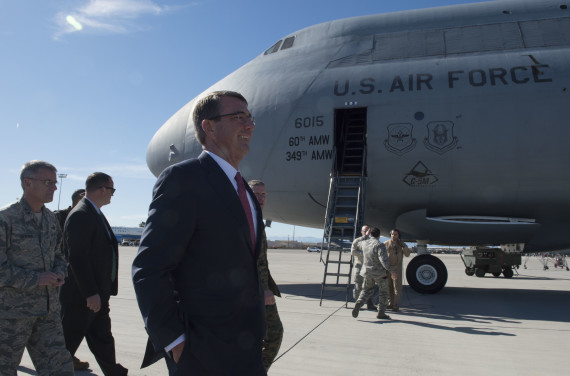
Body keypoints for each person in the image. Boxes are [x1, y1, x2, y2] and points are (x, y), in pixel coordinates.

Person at [132, 90, 266, 375]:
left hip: (247, 347)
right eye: (238, 117)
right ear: (209, 127)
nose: (249, 125)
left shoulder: (245, 191)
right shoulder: (184, 178)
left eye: (250, 118)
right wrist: (175, 342)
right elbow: (149, 268)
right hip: (200, 352)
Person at [0, 160, 74, 375]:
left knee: (60, 369)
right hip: (11, 315)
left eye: (54, 182)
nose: (54, 187)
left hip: (47, 313)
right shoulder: (6, 219)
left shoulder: (51, 219)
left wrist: (60, 272)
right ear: (27, 183)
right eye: (48, 182)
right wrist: (37, 278)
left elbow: (60, 255)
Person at [60, 172, 127, 376]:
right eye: (112, 190)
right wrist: (90, 293)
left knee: (102, 338)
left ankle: (115, 373)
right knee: (66, 344)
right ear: (101, 189)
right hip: (83, 298)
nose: (112, 195)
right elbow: (77, 257)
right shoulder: (82, 214)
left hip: (97, 293)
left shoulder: (94, 212)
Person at [248, 179, 283, 371]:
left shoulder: (255, 218)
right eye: (256, 194)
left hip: (254, 289)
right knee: (274, 334)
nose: (261, 198)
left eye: (263, 195)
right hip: (254, 291)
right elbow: (256, 260)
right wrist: (265, 290)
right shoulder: (248, 219)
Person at [54, 188, 90, 370]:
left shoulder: (86, 216)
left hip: (67, 274)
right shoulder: (59, 216)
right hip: (53, 274)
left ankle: (67, 356)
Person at [352, 227, 397, 320]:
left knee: (366, 290)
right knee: (384, 292)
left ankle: (359, 303)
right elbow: (383, 260)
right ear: (379, 235)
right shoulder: (380, 245)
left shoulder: (364, 243)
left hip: (367, 272)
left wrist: (364, 236)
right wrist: (391, 271)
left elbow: (356, 246)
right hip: (379, 273)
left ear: (371, 234)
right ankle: (381, 313)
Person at [384, 228, 411, 311]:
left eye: (395, 234)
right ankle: (390, 303)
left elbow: (407, 254)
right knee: (389, 287)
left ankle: (396, 304)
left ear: (398, 236)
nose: (393, 236)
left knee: (397, 288)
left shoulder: (401, 245)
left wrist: (404, 246)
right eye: (392, 234)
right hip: (388, 269)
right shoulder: (385, 244)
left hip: (397, 269)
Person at [351, 225, 376, 310]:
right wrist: (364, 253)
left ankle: (370, 303)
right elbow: (353, 251)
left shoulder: (371, 241)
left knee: (369, 286)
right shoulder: (357, 241)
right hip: (359, 266)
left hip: (368, 267)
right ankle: (357, 304)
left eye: (368, 231)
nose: (366, 232)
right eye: (364, 231)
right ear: (362, 232)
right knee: (358, 285)